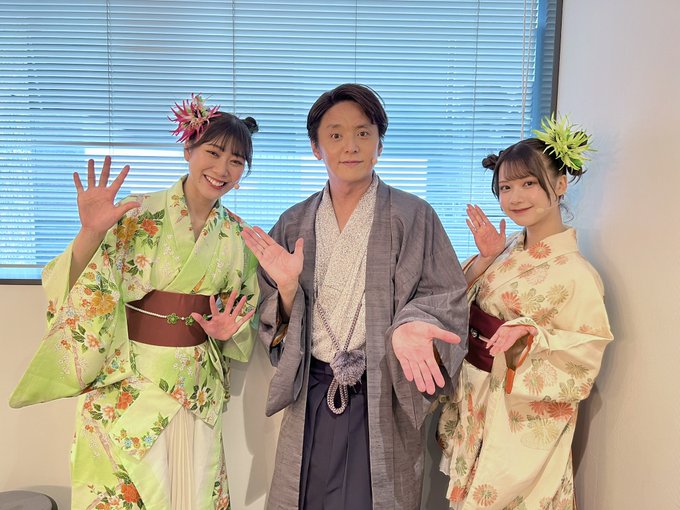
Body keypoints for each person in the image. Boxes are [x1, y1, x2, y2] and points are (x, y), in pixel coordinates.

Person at [10, 94, 260, 510]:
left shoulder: (238, 236)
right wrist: (90, 232)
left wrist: (225, 331)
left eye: (236, 161)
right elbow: (80, 286)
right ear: (189, 150)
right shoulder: (136, 213)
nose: (222, 170)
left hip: (193, 385)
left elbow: (243, 310)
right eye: (214, 153)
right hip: (128, 379)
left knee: (188, 491)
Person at [241, 83, 469, 510]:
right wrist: (287, 288)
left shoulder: (414, 215)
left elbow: (446, 295)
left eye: (364, 133)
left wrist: (410, 326)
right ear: (316, 148)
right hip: (313, 392)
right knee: (303, 497)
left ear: (379, 144)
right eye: (336, 134)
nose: (351, 145)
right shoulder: (293, 222)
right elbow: (271, 317)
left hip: (383, 394)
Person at [437, 115, 614, 509]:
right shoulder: (505, 251)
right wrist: (485, 259)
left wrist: (531, 336)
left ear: (561, 184)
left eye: (529, 183)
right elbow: (452, 303)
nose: (515, 197)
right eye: (505, 187)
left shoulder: (577, 273)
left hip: (520, 415)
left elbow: (587, 350)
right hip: (479, 397)